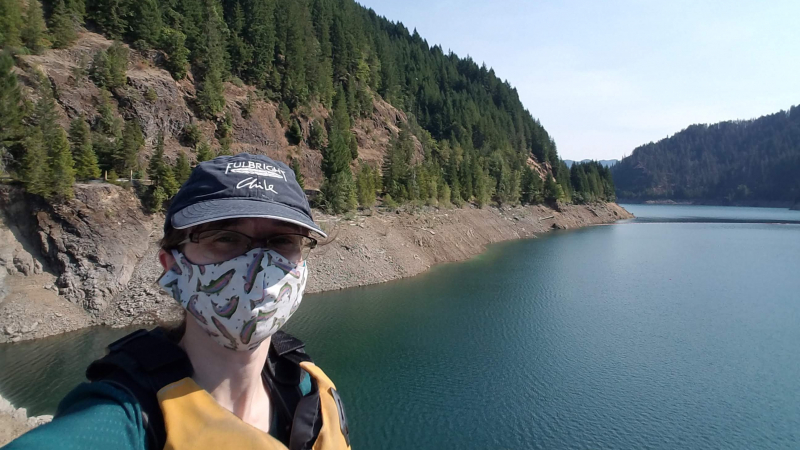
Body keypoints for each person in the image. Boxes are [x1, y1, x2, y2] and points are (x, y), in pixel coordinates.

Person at [2, 153, 351, 450]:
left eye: (282, 240)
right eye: (225, 237)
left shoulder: (307, 391)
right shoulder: (127, 416)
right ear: (173, 265)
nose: (258, 265)